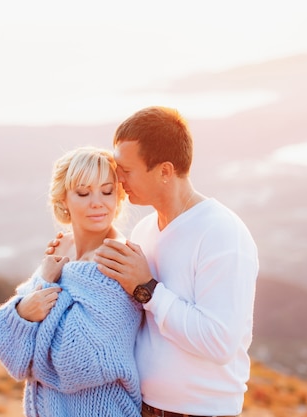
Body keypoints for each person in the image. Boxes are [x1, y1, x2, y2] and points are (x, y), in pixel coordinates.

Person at [48, 106, 259, 417]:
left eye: (126, 170)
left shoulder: (221, 232)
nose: (118, 179)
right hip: (143, 409)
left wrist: (147, 287)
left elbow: (220, 342)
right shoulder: (145, 230)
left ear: (164, 171)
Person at [0, 146, 143, 417]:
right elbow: (3, 343)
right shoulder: (62, 251)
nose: (98, 202)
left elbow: (74, 361)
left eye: (107, 191)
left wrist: (38, 297)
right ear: (64, 199)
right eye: (83, 193)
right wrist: (25, 310)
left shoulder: (116, 262)